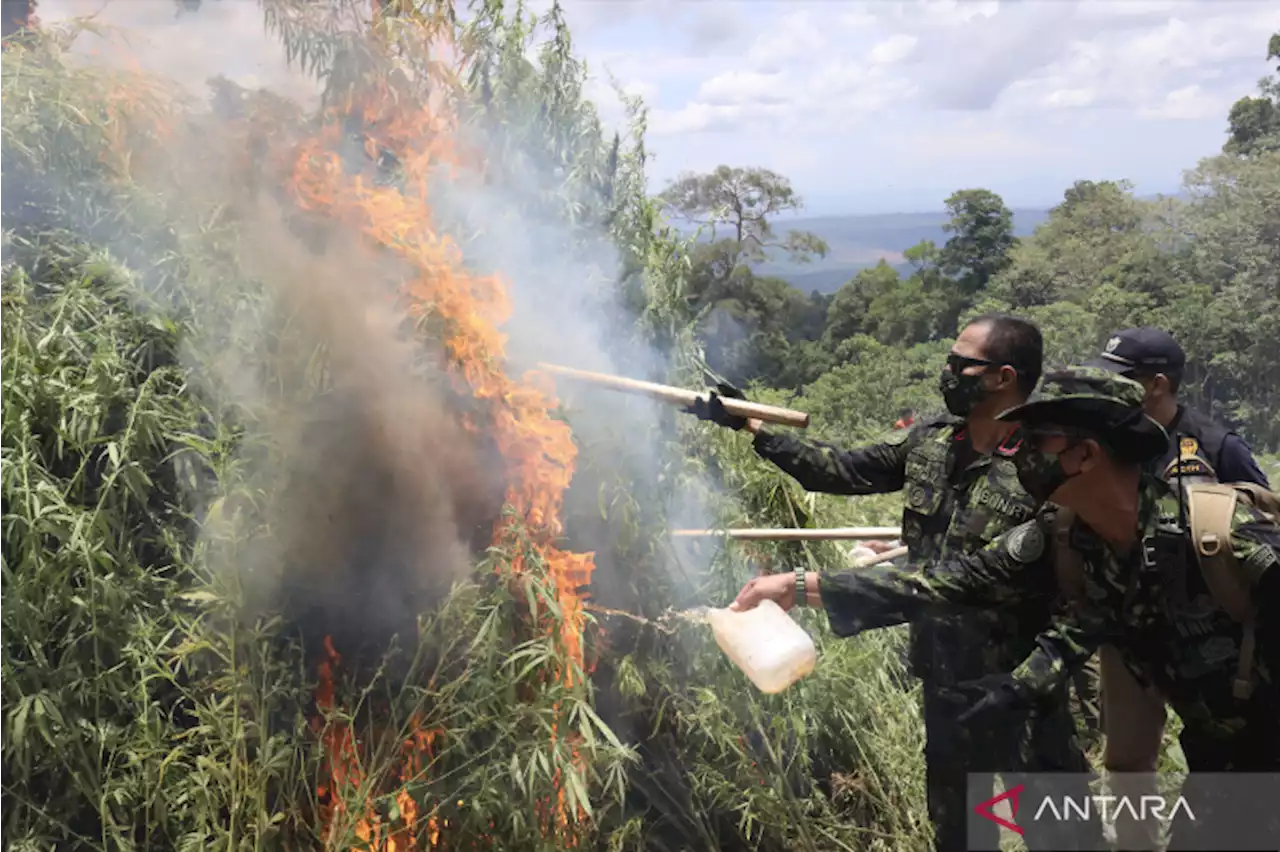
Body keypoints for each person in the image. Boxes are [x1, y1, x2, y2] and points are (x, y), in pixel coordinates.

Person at [689, 314, 1091, 852]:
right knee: (961, 833)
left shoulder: (1046, 466)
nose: (947, 373)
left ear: (1003, 376)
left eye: (959, 364)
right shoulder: (932, 443)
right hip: (944, 678)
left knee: (1059, 834)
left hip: (1020, 686)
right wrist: (751, 428)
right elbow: (840, 470)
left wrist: (805, 585)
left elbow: (959, 582)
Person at [1080, 326, 1272, 846]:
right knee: (1126, 761)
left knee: (1221, 753)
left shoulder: (1215, 446)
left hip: (1206, 640)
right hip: (1127, 633)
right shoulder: (1109, 445)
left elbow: (1260, 527)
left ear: (1158, 384)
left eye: (1123, 381)